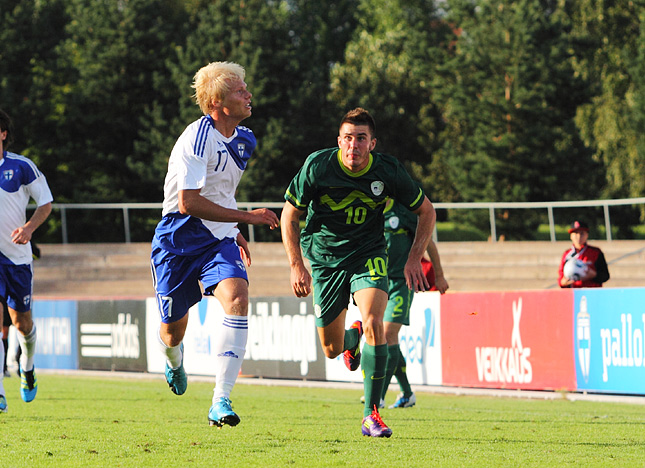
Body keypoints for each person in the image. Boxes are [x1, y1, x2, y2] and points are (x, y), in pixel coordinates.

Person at [281, 108, 436, 438]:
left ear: (372, 143)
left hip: (369, 255)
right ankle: (350, 339)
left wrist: (413, 259)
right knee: (332, 349)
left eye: (361, 139)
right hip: (325, 259)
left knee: (375, 323)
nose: (354, 146)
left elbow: (426, 211)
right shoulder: (318, 166)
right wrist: (297, 264)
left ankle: (371, 414)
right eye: (348, 139)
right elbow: (289, 215)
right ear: (339, 141)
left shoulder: (388, 170)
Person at [150, 62, 279, 428]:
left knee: (237, 298)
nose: (248, 94)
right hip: (178, 238)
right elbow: (187, 203)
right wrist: (246, 218)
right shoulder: (195, 139)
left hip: (218, 240)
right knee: (173, 332)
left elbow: (221, 192)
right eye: (240, 91)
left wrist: (232, 229)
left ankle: (220, 400)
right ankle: (174, 359)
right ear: (216, 102)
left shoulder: (245, 139)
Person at [0, 108, 53, 413]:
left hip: (17, 259)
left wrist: (29, 229)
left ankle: (28, 365)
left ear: (3, 133)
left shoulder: (22, 167)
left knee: (22, 322)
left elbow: (45, 202)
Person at [380, 199, 448, 409]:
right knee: (388, 339)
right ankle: (407, 393)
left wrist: (439, 276)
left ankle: (377, 396)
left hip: (402, 282)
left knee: (386, 334)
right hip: (379, 283)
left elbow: (428, 242)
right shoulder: (370, 210)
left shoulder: (404, 212)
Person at [558, 220, 610, 288]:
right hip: (574, 293)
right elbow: (561, 277)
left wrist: (594, 275)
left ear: (587, 235)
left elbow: (605, 276)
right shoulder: (567, 254)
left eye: (582, 233)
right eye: (576, 233)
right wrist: (563, 283)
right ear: (571, 236)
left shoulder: (596, 252)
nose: (579, 236)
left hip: (592, 292)